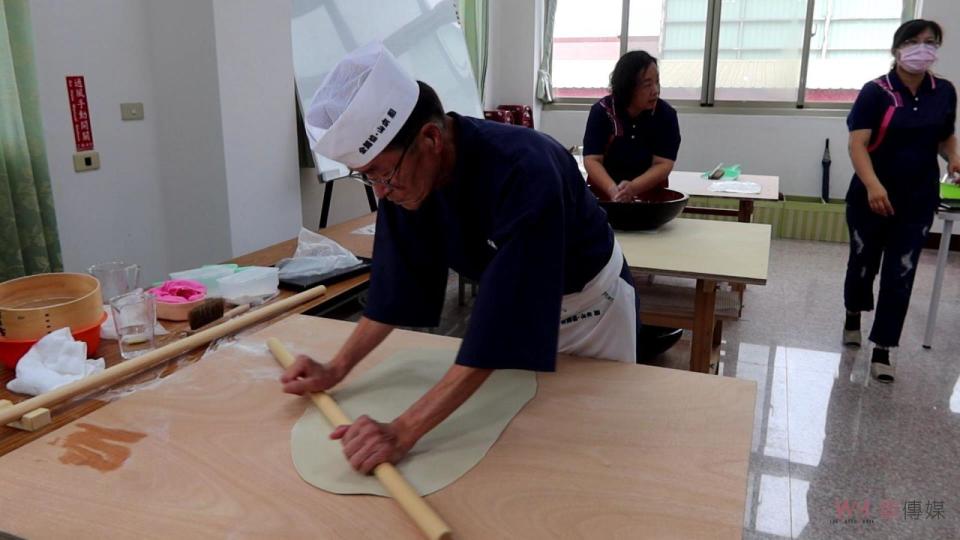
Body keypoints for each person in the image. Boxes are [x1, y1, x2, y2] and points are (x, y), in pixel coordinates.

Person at [280, 41, 640, 474]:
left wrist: (402, 430)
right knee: (524, 457)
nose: (381, 192)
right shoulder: (408, 179)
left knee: (593, 453)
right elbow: (395, 288)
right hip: (523, 314)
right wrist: (334, 368)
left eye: (383, 174)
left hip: (592, 313)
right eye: (367, 177)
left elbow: (504, 325)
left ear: (431, 139)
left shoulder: (524, 168)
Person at [842, 19, 959, 383]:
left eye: (930, 42)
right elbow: (857, 144)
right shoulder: (876, 92)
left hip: (918, 199)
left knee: (902, 272)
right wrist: (874, 186)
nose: (922, 48)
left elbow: (944, 137)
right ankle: (853, 314)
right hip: (870, 195)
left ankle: (883, 348)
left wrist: (954, 157)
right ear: (897, 48)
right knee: (863, 263)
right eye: (913, 41)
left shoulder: (944, 91)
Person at [582, 50, 684, 359]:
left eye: (657, 82)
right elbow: (592, 160)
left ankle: (640, 318)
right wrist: (613, 189)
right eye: (646, 84)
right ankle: (607, 319)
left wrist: (633, 188)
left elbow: (664, 163)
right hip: (604, 200)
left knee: (644, 260)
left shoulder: (666, 115)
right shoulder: (602, 112)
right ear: (627, 87)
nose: (655, 90)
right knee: (605, 259)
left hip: (648, 201)